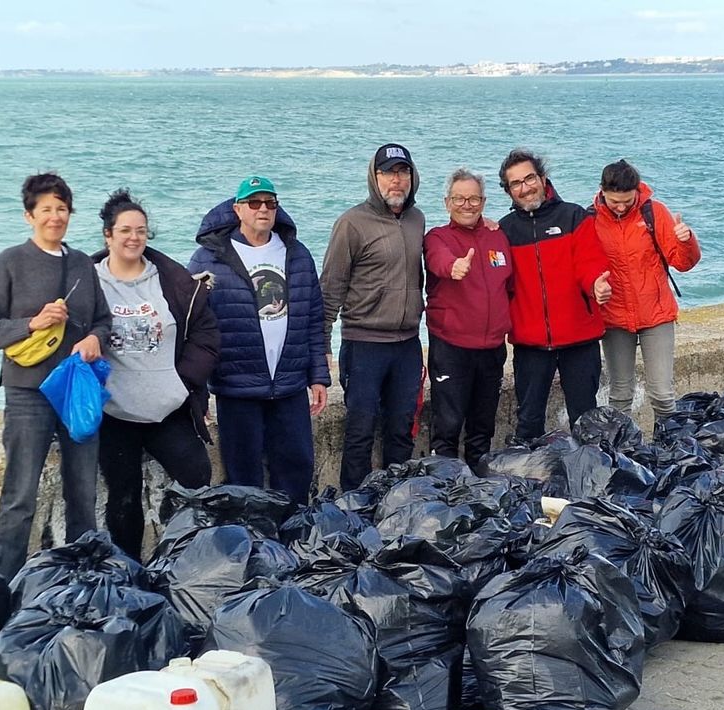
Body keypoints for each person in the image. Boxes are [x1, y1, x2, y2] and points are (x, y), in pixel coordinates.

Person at [0, 172, 110, 577]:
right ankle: (2, 584)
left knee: (83, 493)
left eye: (62, 209)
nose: (55, 217)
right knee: (19, 496)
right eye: (46, 209)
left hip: (75, 390)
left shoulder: (82, 262)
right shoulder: (11, 262)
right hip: (27, 392)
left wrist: (95, 339)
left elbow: (102, 320)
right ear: (28, 215)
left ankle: (85, 580)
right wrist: (31, 324)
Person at [90, 189, 219, 561]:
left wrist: (184, 381)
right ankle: (128, 572)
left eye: (141, 231)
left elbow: (207, 335)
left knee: (197, 477)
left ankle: (182, 563)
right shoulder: (88, 281)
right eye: (126, 230)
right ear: (108, 235)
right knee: (123, 497)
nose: (134, 238)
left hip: (168, 407)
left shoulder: (173, 280)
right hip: (116, 413)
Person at [187, 176, 329, 504]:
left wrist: (318, 375)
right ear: (238, 209)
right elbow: (193, 326)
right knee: (243, 477)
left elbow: (312, 316)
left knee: (297, 467)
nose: (263, 209)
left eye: (270, 203)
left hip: (290, 384)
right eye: (254, 203)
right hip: (236, 386)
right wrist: (197, 388)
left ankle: (293, 538)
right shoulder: (208, 259)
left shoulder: (296, 253)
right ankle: (251, 540)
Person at [321, 144, 426, 490]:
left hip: (408, 346)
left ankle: (398, 503)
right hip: (364, 345)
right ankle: (353, 508)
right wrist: (321, 349)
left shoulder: (417, 220)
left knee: (401, 431)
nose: (396, 180)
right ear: (374, 177)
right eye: (388, 172)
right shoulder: (351, 223)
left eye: (402, 172)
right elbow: (330, 289)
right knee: (359, 433)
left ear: (412, 177)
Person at [496, 148, 611, 443]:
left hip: (579, 339)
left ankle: (589, 480)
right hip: (530, 343)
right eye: (516, 183)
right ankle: (528, 481)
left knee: (586, 421)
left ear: (543, 178)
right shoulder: (503, 231)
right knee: (529, 420)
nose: (525, 188)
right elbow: (497, 279)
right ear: (508, 191)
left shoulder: (574, 216)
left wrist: (596, 285)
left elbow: (589, 264)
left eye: (529, 178)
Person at [587, 159, 701, 422]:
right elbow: (584, 268)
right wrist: (594, 287)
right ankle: (621, 453)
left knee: (662, 394)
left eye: (627, 200)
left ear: (637, 191)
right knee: (620, 394)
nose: (621, 206)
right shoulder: (590, 220)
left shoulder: (654, 212)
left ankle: (672, 448)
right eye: (615, 201)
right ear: (602, 191)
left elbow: (683, 263)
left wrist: (687, 241)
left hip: (656, 313)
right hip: (614, 316)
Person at [423, 167, 512, 472]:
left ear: (484, 202)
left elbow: (509, 286)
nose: (467, 205)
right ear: (447, 202)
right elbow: (438, 260)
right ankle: (443, 489)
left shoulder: (497, 236)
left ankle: (480, 492)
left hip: (491, 348)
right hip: (452, 347)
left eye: (474, 199)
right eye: (459, 199)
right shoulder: (437, 237)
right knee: (447, 428)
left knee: (482, 428)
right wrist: (454, 268)